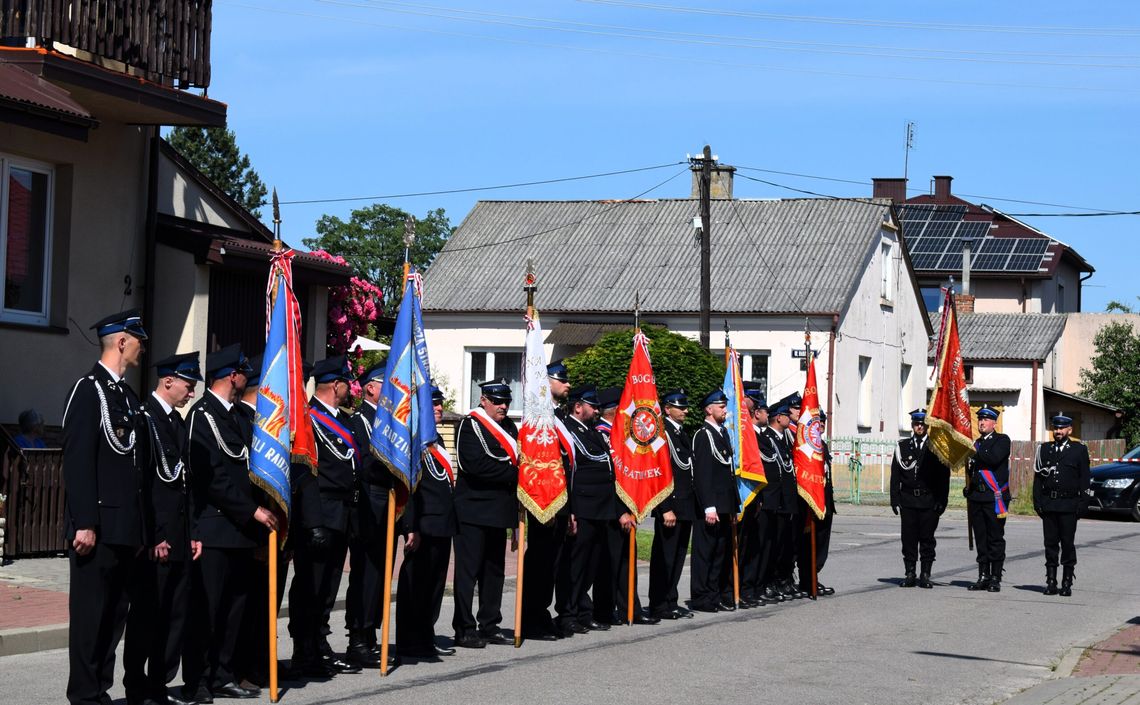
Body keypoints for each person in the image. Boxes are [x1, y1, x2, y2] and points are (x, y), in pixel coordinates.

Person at [62, 309, 149, 705]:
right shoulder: (88, 390)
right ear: (121, 342)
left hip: (124, 529)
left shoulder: (126, 396)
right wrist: (85, 522)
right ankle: (83, 695)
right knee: (90, 619)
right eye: (139, 341)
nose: (142, 348)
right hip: (96, 528)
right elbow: (79, 460)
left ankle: (99, 690)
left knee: (114, 618)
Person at [183, 344, 277, 701]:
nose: (245, 379)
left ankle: (223, 674)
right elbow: (212, 478)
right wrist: (251, 511)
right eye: (242, 373)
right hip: (215, 527)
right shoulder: (202, 416)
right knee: (207, 611)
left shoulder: (238, 416)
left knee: (234, 610)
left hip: (240, 531)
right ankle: (198, 679)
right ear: (232, 376)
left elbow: (252, 469)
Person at [123, 352, 202, 705]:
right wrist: (155, 536)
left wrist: (192, 532)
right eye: (188, 385)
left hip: (182, 534)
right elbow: (144, 486)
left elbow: (184, 483)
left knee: (175, 614)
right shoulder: (144, 418)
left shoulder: (176, 422)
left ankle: (159, 682)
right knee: (148, 617)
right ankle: (137, 685)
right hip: (159, 538)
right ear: (168, 381)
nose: (191, 393)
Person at [289, 356, 363, 676]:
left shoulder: (343, 421)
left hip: (342, 512)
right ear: (336, 385)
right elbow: (307, 474)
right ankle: (303, 649)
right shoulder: (309, 419)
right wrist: (313, 521)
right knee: (311, 584)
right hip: (319, 512)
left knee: (330, 584)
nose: (351, 388)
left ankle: (319, 642)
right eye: (347, 383)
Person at [452, 378, 519, 648]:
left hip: (499, 510)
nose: (503, 406)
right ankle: (464, 627)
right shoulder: (469, 426)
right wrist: (515, 474)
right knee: (468, 573)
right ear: (483, 400)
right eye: (497, 401)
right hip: (473, 509)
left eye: (506, 401)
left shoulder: (510, 428)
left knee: (494, 572)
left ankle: (489, 623)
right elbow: (475, 466)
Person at [346, 363, 403, 668]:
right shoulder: (360, 421)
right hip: (369, 502)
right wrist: (395, 464)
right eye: (385, 385)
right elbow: (365, 462)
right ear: (369, 387)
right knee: (366, 573)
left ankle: (371, 634)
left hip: (388, 502)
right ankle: (358, 637)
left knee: (381, 572)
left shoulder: (388, 420)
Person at [396, 385, 459, 659]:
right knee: (415, 583)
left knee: (435, 584)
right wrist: (411, 526)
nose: (438, 408)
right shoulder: (413, 441)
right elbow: (407, 488)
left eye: (439, 404)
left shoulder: (438, 442)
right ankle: (409, 639)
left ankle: (425, 634)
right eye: (433, 404)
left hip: (442, 523)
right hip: (423, 524)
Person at [521, 360, 576, 641]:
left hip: (561, 502)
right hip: (544, 500)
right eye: (562, 380)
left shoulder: (560, 417)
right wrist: (547, 501)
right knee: (540, 564)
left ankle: (541, 615)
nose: (567, 385)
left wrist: (570, 509)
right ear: (547, 382)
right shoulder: (539, 416)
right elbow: (539, 461)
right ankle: (532, 618)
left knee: (552, 565)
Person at [648, 389, 696, 620]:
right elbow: (660, 474)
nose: (685, 411)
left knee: (677, 558)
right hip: (671, 506)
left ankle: (670, 600)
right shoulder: (662, 434)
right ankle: (659, 603)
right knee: (664, 558)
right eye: (681, 407)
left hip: (685, 506)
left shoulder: (681, 434)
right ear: (667, 409)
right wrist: (665, 507)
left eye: (685, 407)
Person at [689, 390, 739, 613]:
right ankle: (701, 597)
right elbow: (702, 474)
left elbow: (728, 472)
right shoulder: (703, 435)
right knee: (705, 553)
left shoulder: (722, 434)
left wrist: (734, 505)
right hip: (710, 507)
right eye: (720, 406)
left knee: (720, 552)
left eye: (724, 406)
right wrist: (709, 506)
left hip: (724, 504)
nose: (725, 410)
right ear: (709, 409)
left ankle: (714, 593)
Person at [889, 410, 950, 589]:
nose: (919, 427)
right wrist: (894, 498)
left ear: (927, 425)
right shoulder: (902, 447)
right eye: (916, 424)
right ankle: (909, 573)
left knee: (927, 539)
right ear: (912, 425)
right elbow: (895, 475)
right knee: (908, 539)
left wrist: (942, 500)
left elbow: (943, 477)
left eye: (922, 424)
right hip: (908, 500)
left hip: (929, 501)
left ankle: (925, 574)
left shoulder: (936, 447)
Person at [1033, 413, 1091, 597]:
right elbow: (1038, 479)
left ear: (1069, 430)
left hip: (1069, 504)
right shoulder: (1044, 449)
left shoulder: (1078, 450)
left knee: (1067, 544)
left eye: (1061, 428)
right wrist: (1037, 502)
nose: (1057, 431)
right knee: (1050, 544)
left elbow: (1084, 479)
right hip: (1049, 503)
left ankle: (1067, 582)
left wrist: (1083, 503)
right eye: (1055, 428)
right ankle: (1051, 581)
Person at [964, 404, 1012, 593]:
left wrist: (973, 452)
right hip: (977, 497)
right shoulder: (976, 444)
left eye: (985, 419)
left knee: (995, 538)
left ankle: (995, 577)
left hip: (994, 496)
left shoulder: (1001, 440)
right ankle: (983, 575)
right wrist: (969, 488)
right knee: (981, 538)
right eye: (980, 419)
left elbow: (993, 459)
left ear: (994, 422)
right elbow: (972, 470)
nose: (982, 422)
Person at [756, 400, 793, 603]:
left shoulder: (783, 439)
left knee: (780, 545)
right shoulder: (767, 438)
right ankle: (766, 582)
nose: (789, 417)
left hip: (783, 501)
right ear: (779, 417)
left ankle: (777, 580)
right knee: (768, 546)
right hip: (772, 501)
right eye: (787, 415)